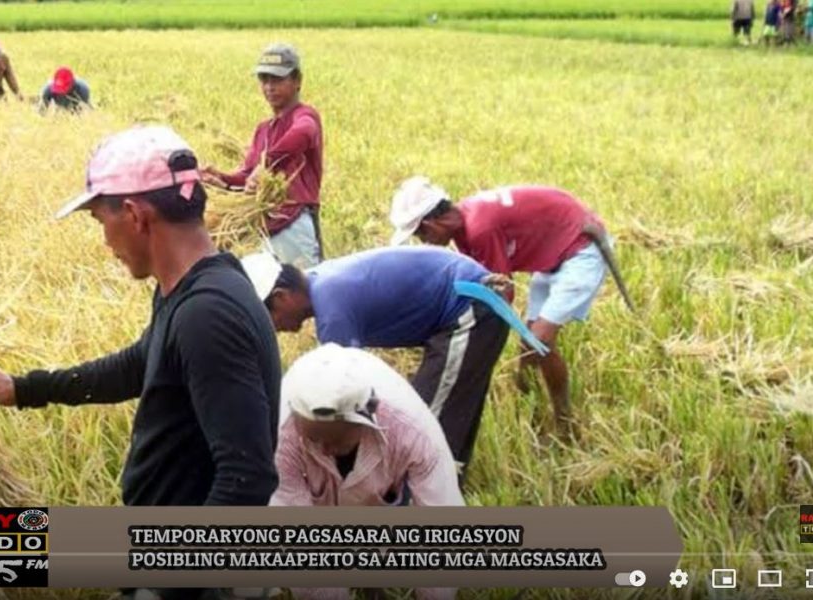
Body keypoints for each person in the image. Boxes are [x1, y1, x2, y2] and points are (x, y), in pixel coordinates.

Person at [0, 126, 281, 600]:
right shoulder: (196, 286)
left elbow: (247, 478)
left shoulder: (207, 314)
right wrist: (22, 388)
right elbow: (137, 365)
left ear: (134, 214)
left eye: (99, 221)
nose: (105, 242)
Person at [241, 247, 509, 474]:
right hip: (468, 305)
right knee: (447, 416)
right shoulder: (324, 285)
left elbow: (349, 393)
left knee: (423, 433)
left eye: (268, 318)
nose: (273, 329)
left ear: (281, 296)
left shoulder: (332, 307)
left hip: (469, 307)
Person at [389, 177, 621, 439]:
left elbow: (502, 292)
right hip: (554, 251)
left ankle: (565, 422)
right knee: (528, 342)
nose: (425, 241)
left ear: (431, 223)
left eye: (421, 234)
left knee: (540, 340)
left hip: (580, 248)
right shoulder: (467, 222)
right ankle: (527, 405)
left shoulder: (479, 229)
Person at [271, 344, 460, 600]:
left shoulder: (413, 432)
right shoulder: (283, 435)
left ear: (364, 420)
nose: (324, 450)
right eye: (314, 438)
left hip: (381, 491)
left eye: (335, 440)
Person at [201, 43, 324, 269]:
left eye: (277, 80)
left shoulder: (305, 117)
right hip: (264, 229)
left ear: (297, 81)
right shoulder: (264, 129)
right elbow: (248, 176)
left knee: (302, 294)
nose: (269, 87)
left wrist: (266, 164)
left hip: (293, 224)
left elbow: (303, 134)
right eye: (264, 80)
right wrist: (223, 181)